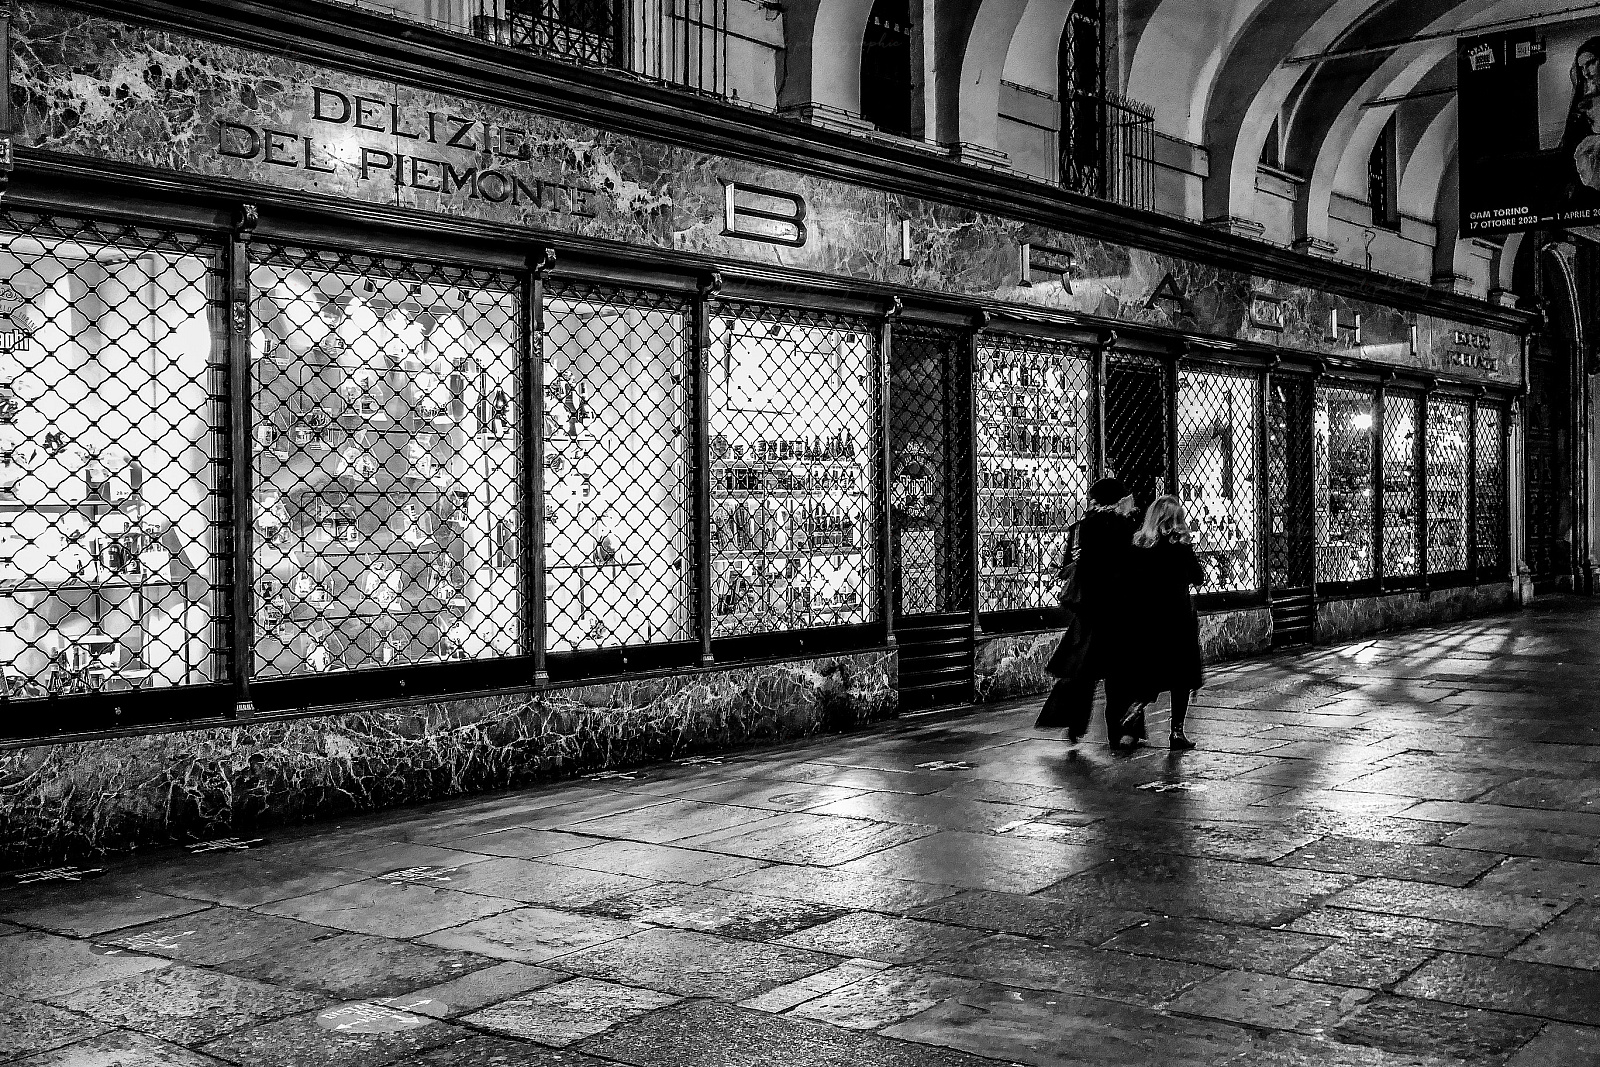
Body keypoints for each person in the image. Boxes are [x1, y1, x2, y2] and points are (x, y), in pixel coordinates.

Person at [1037, 477, 1139, 745]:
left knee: (1082, 672)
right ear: (1118, 501)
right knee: (1121, 673)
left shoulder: (1079, 529)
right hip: (1119, 610)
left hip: (1089, 611)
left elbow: (1067, 566)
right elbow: (1133, 570)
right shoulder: (1127, 528)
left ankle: (1073, 723)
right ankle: (1122, 728)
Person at [1124, 495, 1207, 750]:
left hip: (1147, 619)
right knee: (1180, 676)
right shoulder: (1180, 548)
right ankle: (1176, 732)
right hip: (1177, 618)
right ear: (1176, 520)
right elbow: (1199, 577)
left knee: (1152, 669)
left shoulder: (1139, 546)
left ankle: (1138, 704)